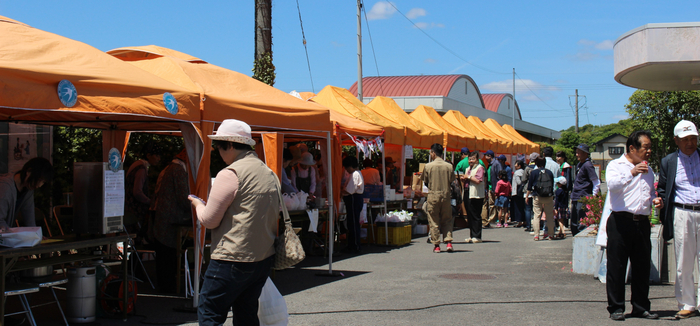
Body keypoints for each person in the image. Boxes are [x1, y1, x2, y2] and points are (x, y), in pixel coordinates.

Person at [189, 119, 279, 325]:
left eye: (219, 146)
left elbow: (209, 220)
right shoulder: (269, 172)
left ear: (229, 144)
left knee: (210, 310)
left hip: (232, 257)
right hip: (263, 257)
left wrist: (197, 205)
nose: (217, 151)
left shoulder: (231, 173)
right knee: (246, 312)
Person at [605, 130, 662, 321]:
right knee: (617, 266)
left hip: (642, 222)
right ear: (632, 148)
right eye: (645, 147)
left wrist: (655, 201)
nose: (649, 151)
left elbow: (648, 193)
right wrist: (632, 172)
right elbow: (612, 186)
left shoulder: (649, 170)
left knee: (642, 266)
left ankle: (640, 307)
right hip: (620, 221)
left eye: (650, 148)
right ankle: (616, 308)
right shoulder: (616, 165)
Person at [658, 120, 700, 319]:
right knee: (684, 261)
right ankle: (687, 303)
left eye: (693, 138)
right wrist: (659, 200)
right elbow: (663, 188)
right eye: (685, 139)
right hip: (682, 213)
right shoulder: (668, 161)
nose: (690, 143)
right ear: (676, 140)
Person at [150, 148, 191, 294]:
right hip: (170, 220)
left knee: (165, 255)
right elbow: (183, 197)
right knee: (168, 256)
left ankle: (166, 286)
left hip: (165, 218)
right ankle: (168, 288)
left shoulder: (170, 168)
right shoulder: (178, 170)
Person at [0, 157, 52, 231]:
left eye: (43, 182)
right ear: (28, 172)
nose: (39, 185)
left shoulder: (28, 189)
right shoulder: (5, 186)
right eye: (39, 180)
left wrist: (35, 234)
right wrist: (13, 233)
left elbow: (30, 221)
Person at [124, 141, 161, 242]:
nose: (159, 159)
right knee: (137, 237)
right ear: (148, 155)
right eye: (156, 156)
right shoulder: (141, 169)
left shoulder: (137, 165)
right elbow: (137, 192)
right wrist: (149, 201)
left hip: (129, 207)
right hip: (135, 210)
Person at [423, 143, 456, 253]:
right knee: (447, 219)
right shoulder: (449, 166)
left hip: (433, 195)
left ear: (433, 152)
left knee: (434, 220)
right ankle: (448, 242)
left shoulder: (428, 166)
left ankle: (437, 245)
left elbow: (426, 181)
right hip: (446, 195)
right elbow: (452, 180)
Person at [570, 143, 600, 236]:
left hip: (583, 196)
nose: (577, 154)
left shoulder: (588, 165)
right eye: (576, 152)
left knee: (581, 221)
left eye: (579, 153)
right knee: (574, 221)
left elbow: (596, 182)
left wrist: (593, 196)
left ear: (585, 153)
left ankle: (581, 239)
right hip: (576, 196)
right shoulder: (580, 164)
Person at [526, 155, 555, 241]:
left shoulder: (534, 172)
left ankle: (536, 235)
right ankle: (551, 234)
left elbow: (529, 186)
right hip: (549, 196)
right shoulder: (549, 173)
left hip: (537, 196)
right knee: (549, 216)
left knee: (537, 215)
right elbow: (552, 184)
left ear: (537, 163)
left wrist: (527, 196)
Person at [342, 156, 364, 253]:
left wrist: (342, 191)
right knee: (352, 222)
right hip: (355, 198)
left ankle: (355, 245)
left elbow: (350, 190)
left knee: (353, 223)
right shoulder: (357, 173)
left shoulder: (355, 174)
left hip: (353, 199)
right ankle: (352, 244)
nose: (346, 169)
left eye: (347, 167)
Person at [464, 151, 485, 243]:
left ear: (477, 160)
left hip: (476, 195)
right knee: (470, 215)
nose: (471, 161)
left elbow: (478, 180)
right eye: (469, 159)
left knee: (476, 215)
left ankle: (477, 236)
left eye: (473, 159)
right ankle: (472, 235)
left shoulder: (480, 168)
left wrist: (467, 177)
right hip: (468, 193)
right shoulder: (468, 168)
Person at [521, 152, 538, 233]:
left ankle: (528, 226)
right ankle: (537, 225)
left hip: (527, 189)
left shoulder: (527, 168)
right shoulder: (538, 167)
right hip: (537, 189)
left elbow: (523, 179)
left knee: (527, 209)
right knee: (536, 209)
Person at [556, 150, 574, 228]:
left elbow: (568, 179)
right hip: (558, 188)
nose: (557, 158)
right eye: (557, 156)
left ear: (563, 158)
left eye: (559, 156)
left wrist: (567, 188)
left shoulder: (566, 166)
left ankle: (565, 223)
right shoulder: (558, 165)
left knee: (564, 207)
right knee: (558, 206)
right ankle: (559, 223)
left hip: (564, 189)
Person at [481, 150, 496, 228]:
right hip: (490, 187)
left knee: (492, 204)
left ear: (490, 156)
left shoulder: (495, 164)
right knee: (491, 204)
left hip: (493, 187)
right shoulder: (490, 164)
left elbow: (497, 176)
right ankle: (490, 219)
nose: (485, 157)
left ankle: (491, 219)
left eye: (486, 156)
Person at [511, 160, 526, 228]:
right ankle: (524, 221)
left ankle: (519, 221)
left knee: (517, 207)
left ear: (519, 166)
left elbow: (518, 182)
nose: (514, 165)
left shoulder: (517, 173)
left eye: (516, 164)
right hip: (522, 192)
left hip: (516, 192)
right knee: (523, 207)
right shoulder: (524, 171)